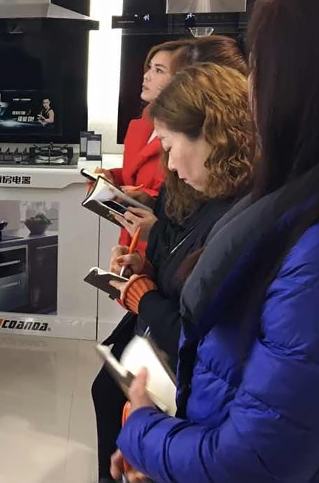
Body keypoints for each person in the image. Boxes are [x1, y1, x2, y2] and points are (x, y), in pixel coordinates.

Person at [114, 0, 319, 483]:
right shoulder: (308, 204)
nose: (250, 90)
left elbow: (246, 463)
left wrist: (143, 430)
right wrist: (164, 446)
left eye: (261, 68)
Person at [92, 63, 254, 483]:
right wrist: (146, 269)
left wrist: (142, 296)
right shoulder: (207, 196)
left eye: (168, 143)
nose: (169, 162)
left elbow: (195, 332)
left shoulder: (238, 218)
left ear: (209, 135)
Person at [112, 35, 249, 243]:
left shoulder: (228, 199)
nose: (147, 76)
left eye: (160, 70)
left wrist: (157, 235)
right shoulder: (145, 125)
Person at [96, 40, 191, 250]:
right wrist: (111, 178)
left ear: (181, 79)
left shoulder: (187, 135)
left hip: (160, 240)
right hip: (130, 235)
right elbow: (134, 176)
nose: (147, 76)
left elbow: (188, 198)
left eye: (158, 70)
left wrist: (149, 198)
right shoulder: (140, 125)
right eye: (149, 68)